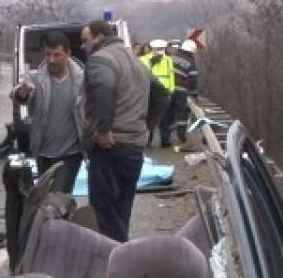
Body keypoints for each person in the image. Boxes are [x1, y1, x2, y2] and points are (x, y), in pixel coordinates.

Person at [79, 20, 150, 243]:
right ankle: (120, 260)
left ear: (99, 37)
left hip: (110, 146)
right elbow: (161, 93)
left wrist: (103, 129)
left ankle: (112, 265)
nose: (82, 46)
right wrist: (149, 125)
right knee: (121, 209)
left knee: (104, 214)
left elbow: (106, 88)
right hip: (134, 147)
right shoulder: (135, 61)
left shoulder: (100, 59)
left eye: (85, 40)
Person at [12, 31, 85, 194]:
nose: (51, 60)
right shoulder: (36, 78)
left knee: (58, 195)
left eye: (57, 55)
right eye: (48, 54)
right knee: (46, 197)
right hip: (43, 152)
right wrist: (22, 93)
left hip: (71, 153)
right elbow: (17, 94)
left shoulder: (82, 79)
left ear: (68, 54)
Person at [162, 39, 199, 147]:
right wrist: (194, 93)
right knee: (181, 115)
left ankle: (165, 139)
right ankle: (182, 137)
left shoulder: (172, 57)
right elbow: (193, 79)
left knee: (168, 115)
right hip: (181, 91)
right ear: (192, 51)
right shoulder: (190, 61)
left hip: (168, 89)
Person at [142, 39, 175, 146]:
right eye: (159, 49)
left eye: (162, 49)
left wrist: (171, 90)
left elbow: (171, 75)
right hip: (152, 91)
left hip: (161, 92)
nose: (160, 51)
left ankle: (163, 140)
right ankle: (149, 139)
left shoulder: (168, 60)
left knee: (161, 117)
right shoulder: (145, 59)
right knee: (152, 116)